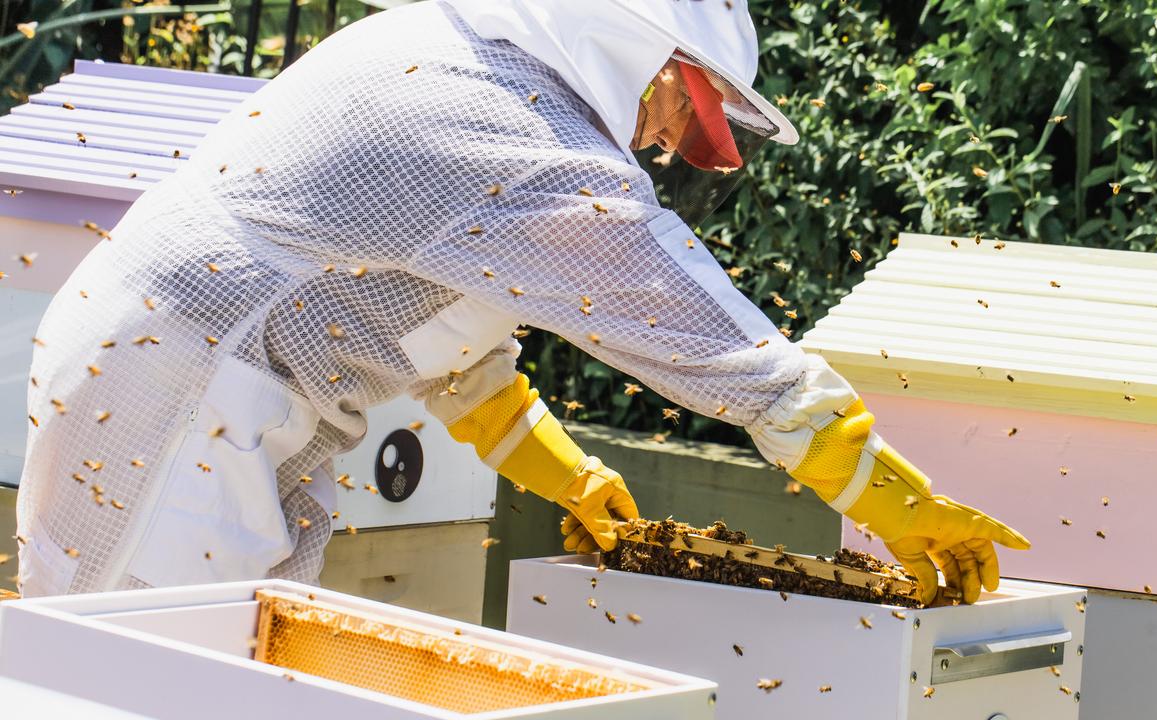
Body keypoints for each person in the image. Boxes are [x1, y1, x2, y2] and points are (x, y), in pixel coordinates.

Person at [16, 0, 1027, 604]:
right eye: (689, 110)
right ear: (630, 43)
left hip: (202, 384)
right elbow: (676, 310)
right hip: (179, 389)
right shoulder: (503, 119)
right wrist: (872, 483)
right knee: (150, 677)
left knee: (217, 663)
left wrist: (560, 469)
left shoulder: (471, 72)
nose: (675, 144)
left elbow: (424, 319)